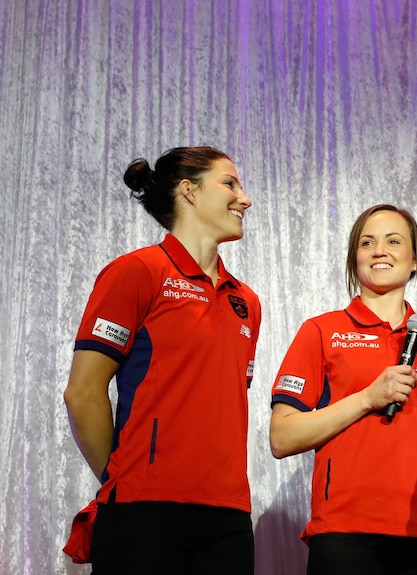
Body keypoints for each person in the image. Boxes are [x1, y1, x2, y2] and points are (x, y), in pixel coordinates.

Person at [63, 146, 261, 574]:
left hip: (228, 516)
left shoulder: (247, 302)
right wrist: (121, 479)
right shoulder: (137, 272)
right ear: (188, 191)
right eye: (230, 183)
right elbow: (82, 393)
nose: (244, 198)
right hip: (144, 511)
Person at [269, 204, 417, 575]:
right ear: (354, 258)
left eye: (393, 241)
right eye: (367, 242)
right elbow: (282, 437)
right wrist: (368, 398)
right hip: (345, 533)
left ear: (414, 260)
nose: (379, 250)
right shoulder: (322, 331)